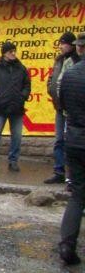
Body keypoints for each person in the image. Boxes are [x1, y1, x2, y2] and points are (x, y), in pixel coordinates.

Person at [0, 40, 32, 173]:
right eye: (11, 51)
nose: (14, 53)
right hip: (0, 108)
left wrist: (22, 96)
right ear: (4, 53)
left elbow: (27, 85)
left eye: (14, 51)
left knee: (17, 136)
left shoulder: (21, 68)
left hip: (17, 108)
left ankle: (13, 161)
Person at [57, 51, 85, 265]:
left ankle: (67, 245)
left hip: (74, 139)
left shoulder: (70, 72)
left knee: (77, 195)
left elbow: (62, 104)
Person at [45, 31, 78, 184]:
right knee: (59, 140)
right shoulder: (59, 60)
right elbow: (53, 78)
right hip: (59, 107)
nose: (60, 46)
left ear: (71, 44)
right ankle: (59, 171)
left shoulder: (76, 60)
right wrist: (49, 87)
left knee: (72, 140)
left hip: (72, 109)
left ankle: (72, 176)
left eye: (63, 43)